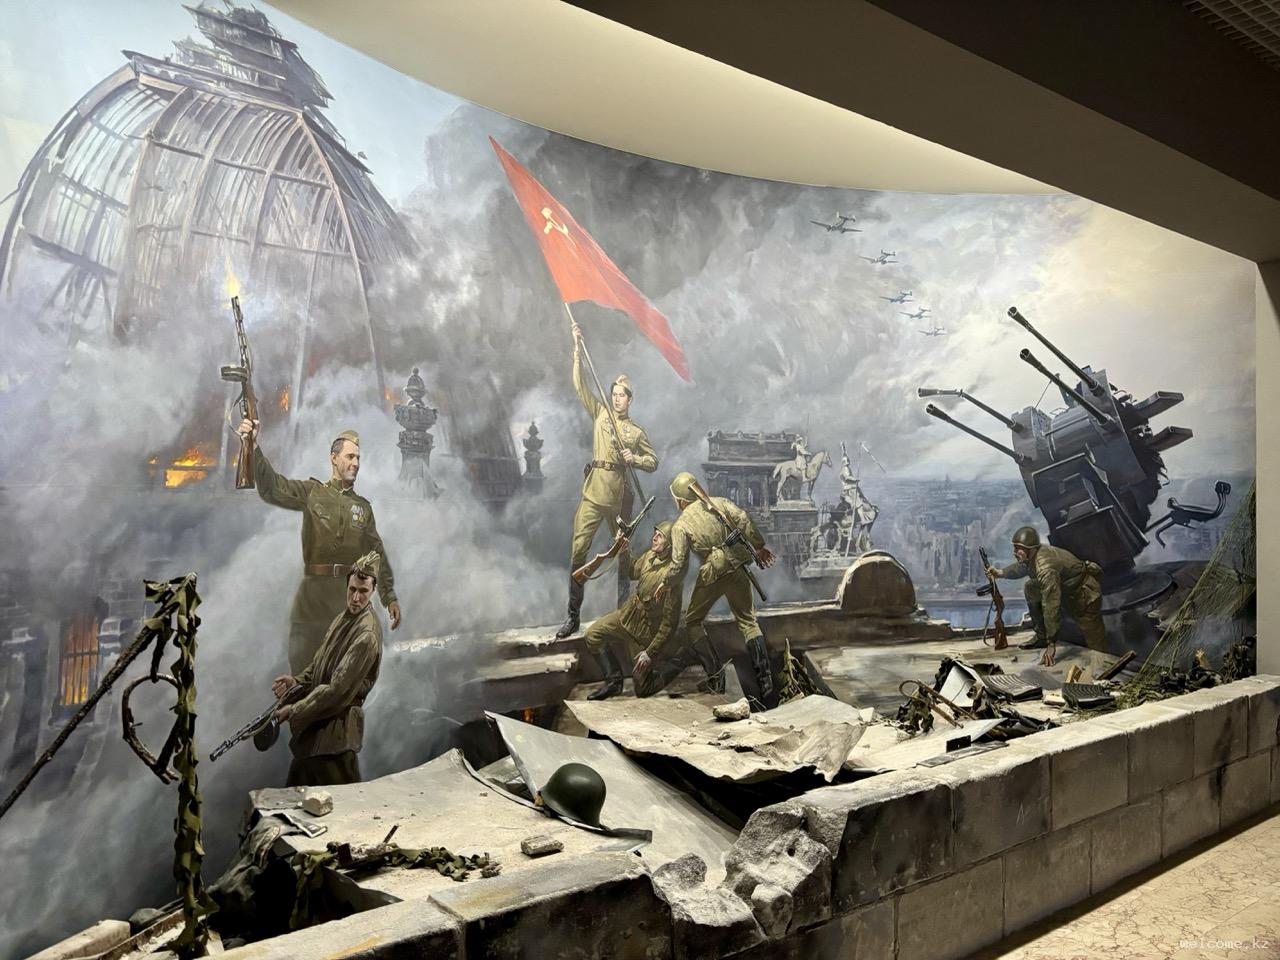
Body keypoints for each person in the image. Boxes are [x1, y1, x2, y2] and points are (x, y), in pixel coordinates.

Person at [237, 418, 401, 673]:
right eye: (350, 457)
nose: (356, 463)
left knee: (341, 682)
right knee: (301, 678)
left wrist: (389, 596)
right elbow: (272, 488)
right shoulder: (312, 492)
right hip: (311, 607)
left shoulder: (363, 508)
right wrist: (253, 445)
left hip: (346, 608)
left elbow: (376, 552)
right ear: (334, 458)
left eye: (358, 458)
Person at [556, 319, 658, 639]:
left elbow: (653, 461)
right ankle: (573, 615)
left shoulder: (636, 432)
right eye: (613, 394)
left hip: (617, 498)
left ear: (630, 400)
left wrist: (635, 459)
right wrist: (577, 349)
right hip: (593, 493)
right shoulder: (600, 413)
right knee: (578, 552)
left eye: (621, 396)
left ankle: (624, 615)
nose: (616, 399)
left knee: (623, 555)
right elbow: (579, 386)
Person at [665, 471, 778, 707]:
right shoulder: (721, 503)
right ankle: (766, 683)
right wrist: (759, 546)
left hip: (713, 573)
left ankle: (716, 677)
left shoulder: (681, 525)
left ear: (681, 500)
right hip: (737, 567)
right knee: (748, 622)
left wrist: (665, 582)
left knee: (692, 621)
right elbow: (743, 519)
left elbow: (678, 565)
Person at [271, 551, 383, 787]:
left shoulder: (366, 635)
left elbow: (336, 690)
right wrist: (296, 682)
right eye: (352, 589)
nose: (355, 598)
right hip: (318, 737)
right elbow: (318, 665)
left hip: (336, 742)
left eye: (363, 591)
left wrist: (293, 710)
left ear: (373, 590)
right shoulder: (342, 619)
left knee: (341, 805)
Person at [582, 521, 726, 700]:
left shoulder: (671, 578)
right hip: (628, 615)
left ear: (670, 545)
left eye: (660, 536)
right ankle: (614, 682)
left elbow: (668, 624)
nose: (654, 537)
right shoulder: (650, 555)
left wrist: (649, 654)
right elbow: (632, 572)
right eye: (655, 533)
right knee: (592, 635)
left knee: (643, 689)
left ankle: (683, 659)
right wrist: (624, 551)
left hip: (646, 631)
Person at [986, 526, 1106, 666]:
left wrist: (1051, 644)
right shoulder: (1034, 553)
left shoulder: (1045, 568)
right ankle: (1041, 637)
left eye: (1018, 549)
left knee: (1094, 639)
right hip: (1065, 589)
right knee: (1031, 587)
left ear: (1030, 549)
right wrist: (1000, 573)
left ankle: (1101, 665)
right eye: (1014, 548)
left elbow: (1050, 605)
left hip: (1083, 594)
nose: (1014, 552)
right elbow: (1023, 567)